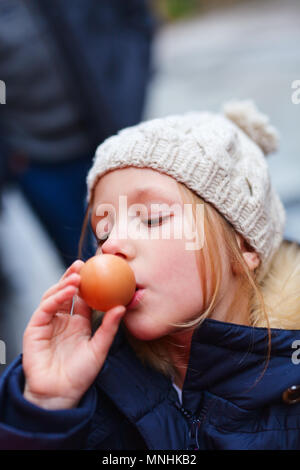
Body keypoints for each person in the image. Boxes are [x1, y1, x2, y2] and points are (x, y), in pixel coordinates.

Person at [0, 100, 300, 450]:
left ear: (245, 245)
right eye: (103, 232)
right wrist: (46, 406)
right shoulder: (93, 391)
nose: (112, 247)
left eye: (153, 218)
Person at [0, 0, 155, 267]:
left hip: (110, 138)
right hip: (34, 160)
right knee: (84, 266)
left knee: (145, 252)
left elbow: (136, 20)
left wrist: (126, 104)